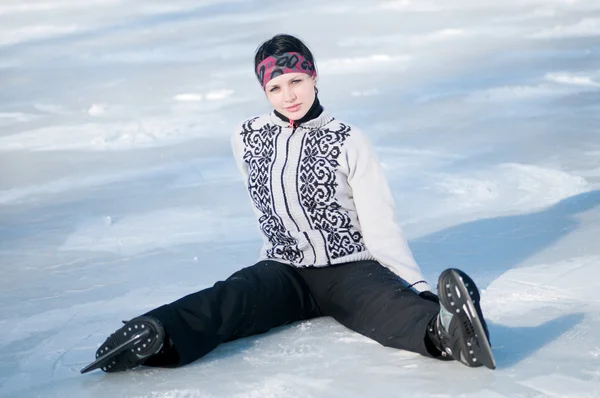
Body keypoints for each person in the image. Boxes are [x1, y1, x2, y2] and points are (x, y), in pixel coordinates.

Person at [82, 34, 495, 374]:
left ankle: (447, 331)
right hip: (283, 269)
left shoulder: (348, 138)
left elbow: (379, 221)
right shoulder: (245, 136)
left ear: (313, 76)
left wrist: (417, 288)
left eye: (296, 80)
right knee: (230, 298)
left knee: (385, 307)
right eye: (274, 87)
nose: (288, 95)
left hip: (347, 267)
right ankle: (155, 335)